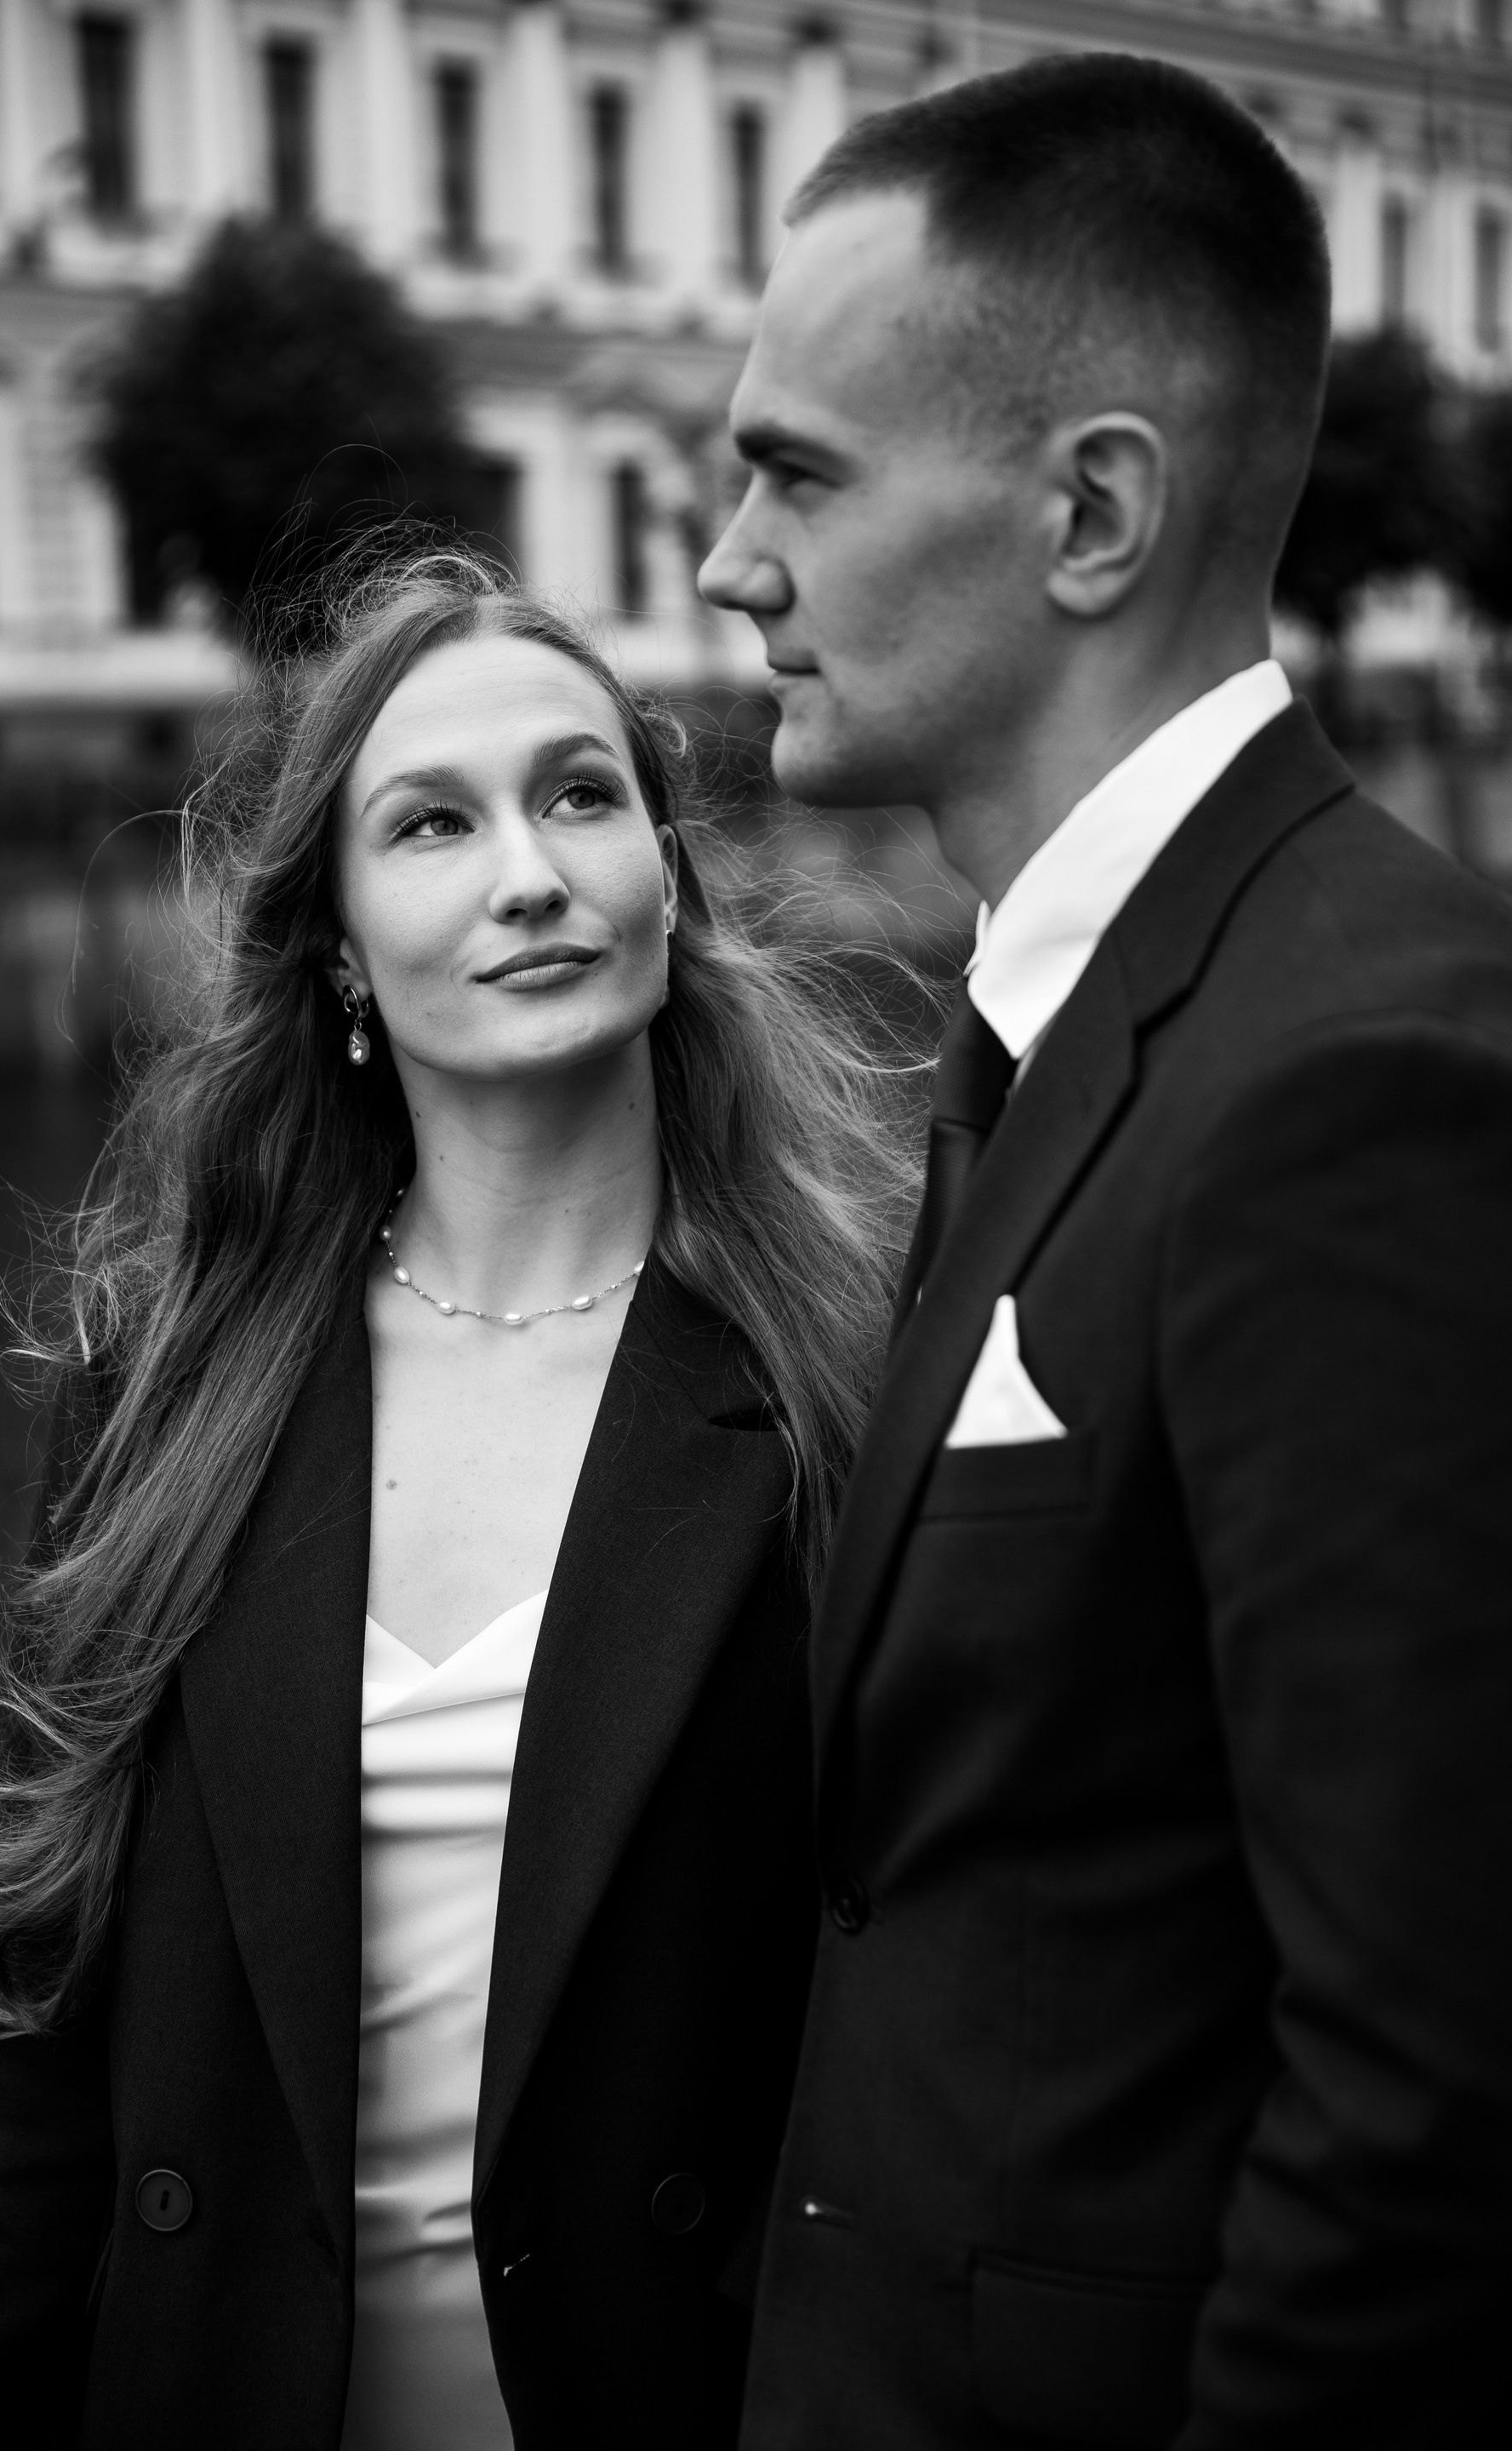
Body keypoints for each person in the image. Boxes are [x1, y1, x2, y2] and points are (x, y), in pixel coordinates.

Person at [698, 53, 1512, 2451]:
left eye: (799, 474)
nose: (730, 560)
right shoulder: (1076, 1016)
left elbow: (1436, 2095)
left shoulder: (1365, 1077)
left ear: (1092, 513)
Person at [0, 558, 916, 2449]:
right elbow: (31, 2029)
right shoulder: (170, 1388)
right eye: (433, 823)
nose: (528, 873)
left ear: (668, 880)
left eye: (581, 795)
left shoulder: (847, 1372)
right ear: (343, 951)